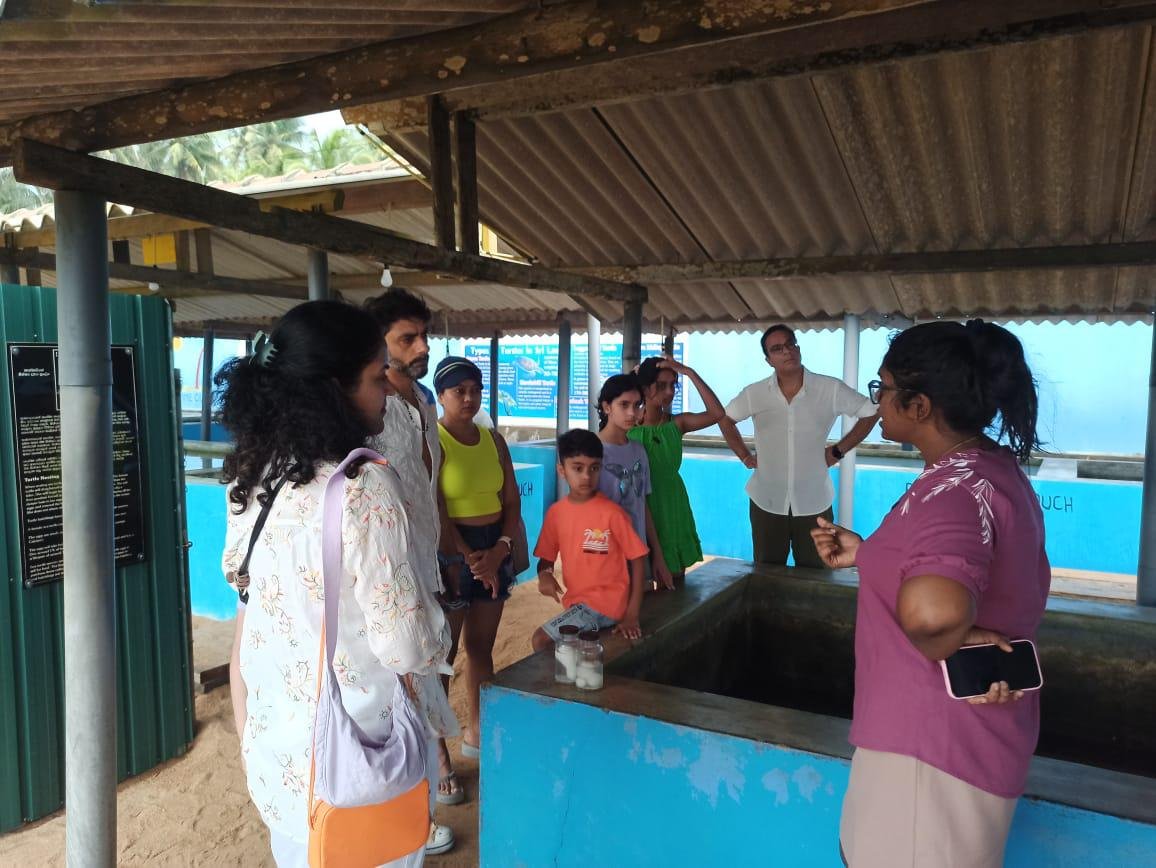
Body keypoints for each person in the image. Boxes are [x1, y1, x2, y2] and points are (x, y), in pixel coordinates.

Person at [217, 301, 456, 867]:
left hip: (282, 763)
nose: (387, 389)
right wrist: (436, 626)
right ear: (333, 390)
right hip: (361, 763)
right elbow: (405, 647)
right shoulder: (363, 487)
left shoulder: (254, 479)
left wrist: (253, 739)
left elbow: (248, 617)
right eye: (375, 377)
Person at [809, 319, 1049, 868]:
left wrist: (954, 637)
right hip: (959, 747)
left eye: (884, 388)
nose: (877, 401)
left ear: (919, 406)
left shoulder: (953, 492)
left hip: (926, 760)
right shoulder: (989, 469)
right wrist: (868, 555)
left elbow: (934, 612)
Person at [361, 290, 456, 848]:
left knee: (426, 669)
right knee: (392, 682)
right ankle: (405, 814)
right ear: (379, 344)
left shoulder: (422, 399)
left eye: (424, 335)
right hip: (386, 567)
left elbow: (429, 483)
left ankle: (422, 790)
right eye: (407, 338)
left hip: (424, 559)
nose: (422, 347)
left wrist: (445, 549)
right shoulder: (367, 409)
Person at [432, 356, 521, 794]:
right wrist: (469, 556)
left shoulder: (494, 439)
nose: (468, 398)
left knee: (481, 648)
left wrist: (500, 548)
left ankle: (478, 733)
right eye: (458, 391)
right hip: (454, 553)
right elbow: (436, 505)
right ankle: (437, 754)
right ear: (441, 396)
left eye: (475, 390)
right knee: (443, 656)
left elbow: (511, 501)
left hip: (494, 547)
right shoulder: (435, 440)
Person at [722, 324, 878, 568]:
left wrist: (838, 450)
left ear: (798, 347)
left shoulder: (829, 389)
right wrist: (744, 455)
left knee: (816, 575)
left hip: (814, 502)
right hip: (767, 501)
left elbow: (870, 412)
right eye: (777, 349)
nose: (787, 351)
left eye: (790, 344)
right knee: (767, 575)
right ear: (768, 360)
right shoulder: (755, 393)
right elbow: (725, 419)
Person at [531, 429, 649, 651]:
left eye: (594, 468)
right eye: (578, 468)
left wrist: (632, 615)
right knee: (574, 649)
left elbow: (638, 559)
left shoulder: (612, 513)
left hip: (606, 605)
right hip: (578, 605)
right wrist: (544, 575)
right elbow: (545, 559)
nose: (586, 476)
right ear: (561, 470)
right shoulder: (556, 514)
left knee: (541, 640)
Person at [630, 355, 726, 582]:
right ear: (645, 388)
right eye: (661, 385)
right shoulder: (627, 426)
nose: (670, 391)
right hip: (638, 503)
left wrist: (689, 372)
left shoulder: (677, 423)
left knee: (673, 580)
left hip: (671, 503)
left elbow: (717, 413)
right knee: (639, 581)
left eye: (673, 385)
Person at [596, 374, 674, 589]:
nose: (632, 412)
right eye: (624, 405)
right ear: (607, 407)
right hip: (604, 558)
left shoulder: (639, 450)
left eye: (637, 405)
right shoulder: (592, 452)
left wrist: (657, 554)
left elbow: (642, 505)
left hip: (638, 554)